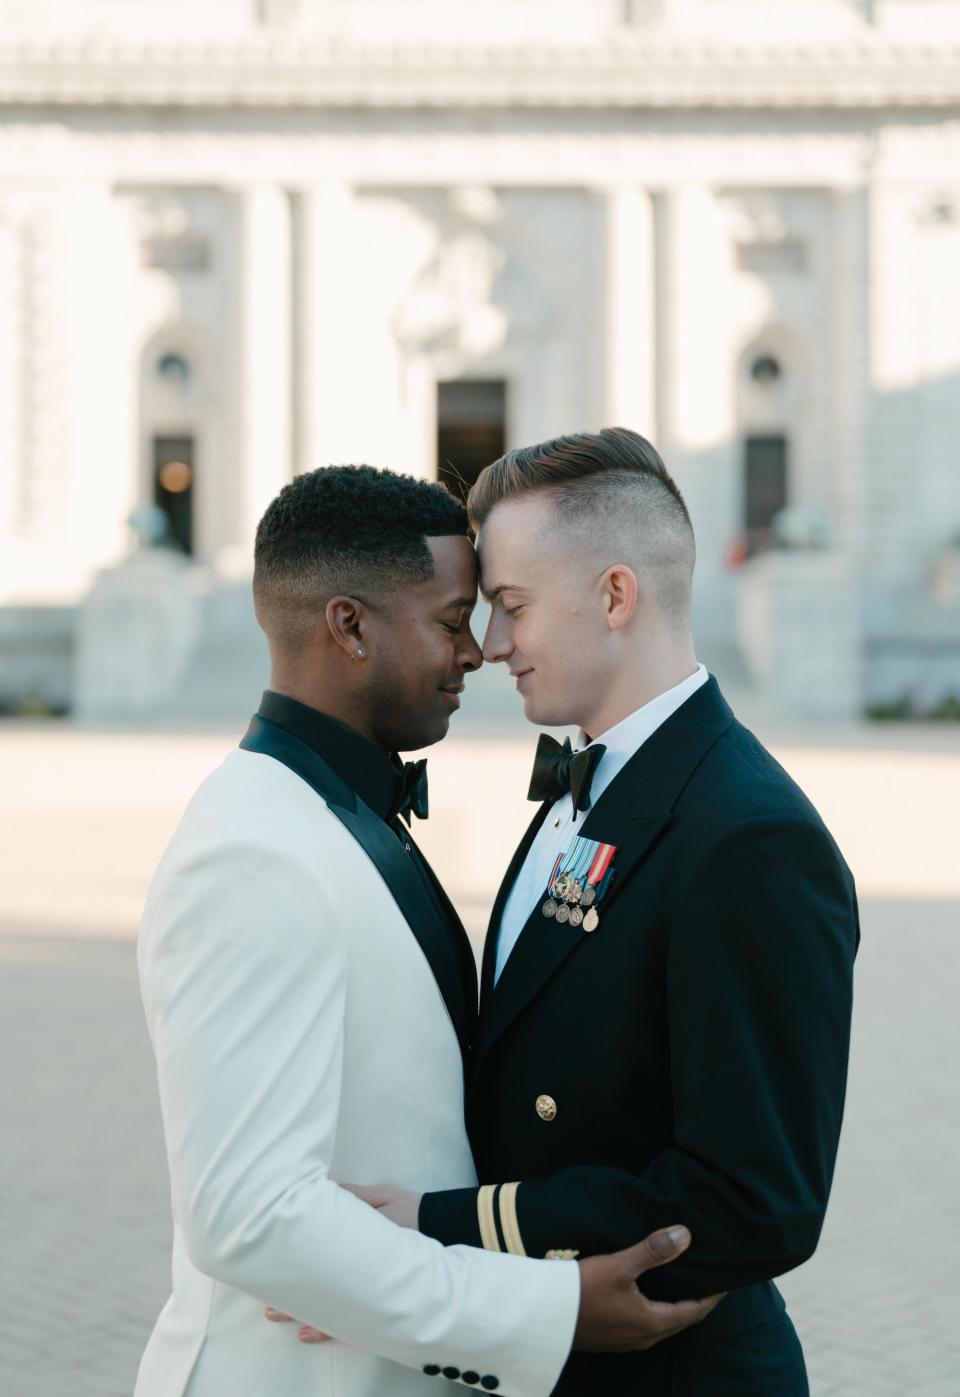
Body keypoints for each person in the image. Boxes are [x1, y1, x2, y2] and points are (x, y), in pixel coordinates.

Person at [134, 464, 721, 1397]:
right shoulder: (251, 850)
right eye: (453, 620)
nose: (479, 651)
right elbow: (246, 1215)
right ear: (350, 625)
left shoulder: (331, 812)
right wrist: (545, 1309)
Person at [330, 431, 860, 1396]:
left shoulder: (748, 836)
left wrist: (438, 1226)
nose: (490, 647)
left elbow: (756, 1198)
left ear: (616, 596)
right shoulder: (604, 780)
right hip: (553, 1356)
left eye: (512, 607)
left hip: (674, 1371)